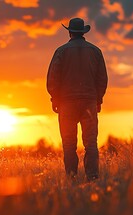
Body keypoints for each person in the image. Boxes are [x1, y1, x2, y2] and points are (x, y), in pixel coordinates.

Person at [47, 17, 108, 181]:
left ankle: (72, 178)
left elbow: (53, 78)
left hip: (67, 103)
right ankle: (93, 178)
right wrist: (98, 100)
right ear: (83, 32)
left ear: (69, 32)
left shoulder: (61, 51)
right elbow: (102, 79)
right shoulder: (95, 51)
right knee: (91, 143)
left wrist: (55, 99)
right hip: (89, 102)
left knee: (68, 144)